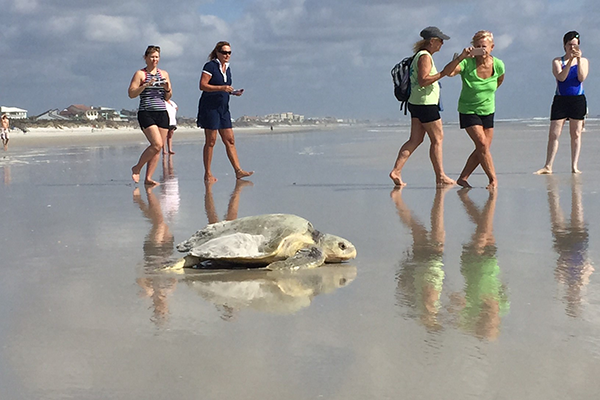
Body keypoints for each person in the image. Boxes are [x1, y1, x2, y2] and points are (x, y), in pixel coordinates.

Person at [389, 27, 456, 188]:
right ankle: (440, 176)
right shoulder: (425, 56)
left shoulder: (419, 56)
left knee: (416, 139)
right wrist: (443, 73)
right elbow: (423, 80)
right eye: (440, 40)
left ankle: (396, 171)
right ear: (432, 41)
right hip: (426, 104)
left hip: (416, 102)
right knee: (437, 139)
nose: (442, 44)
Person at [441, 30, 505, 190]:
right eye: (477, 46)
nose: (481, 50)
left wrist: (485, 95)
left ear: (492, 47)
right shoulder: (466, 63)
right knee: (482, 144)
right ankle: (493, 180)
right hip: (468, 110)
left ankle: (463, 178)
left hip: (488, 110)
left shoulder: (498, 64)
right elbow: (448, 73)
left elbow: (499, 81)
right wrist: (461, 57)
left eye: (484, 46)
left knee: (483, 148)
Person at [197, 41, 253, 183]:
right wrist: (222, 88)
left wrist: (233, 92)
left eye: (229, 53)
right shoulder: (210, 66)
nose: (227, 55)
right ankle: (207, 173)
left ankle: (238, 171)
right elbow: (202, 85)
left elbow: (225, 87)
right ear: (217, 53)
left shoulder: (227, 68)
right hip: (210, 108)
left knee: (230, 140)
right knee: (211, 141)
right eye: (224, 52)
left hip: (224, 109)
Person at [535, 31, 589, 175]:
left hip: (577, 100)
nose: (573, 48)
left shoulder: (583, 61)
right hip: (561, 100)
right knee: (554, 134)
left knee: (576, 133)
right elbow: (561, 78)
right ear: (565, 46)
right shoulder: (557, 61)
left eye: (575, 45)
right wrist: (570, 61)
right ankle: (548, 165)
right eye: (570, 45)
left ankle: (574, 166)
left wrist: (577, 61)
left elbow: (581, 77)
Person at [128, 45, 172, 186]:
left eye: (157, 57)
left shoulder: (164, 74)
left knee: (158, 148)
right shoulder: (140, 74)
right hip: (146, 112)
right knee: (156, 144)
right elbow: (131, 94)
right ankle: (137, 168)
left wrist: (167, 89)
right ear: (146, 58)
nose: (155, 59)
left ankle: (148, 178)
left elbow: (168, 96)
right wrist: (145, 86)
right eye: (152, 57)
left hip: (162, 112)